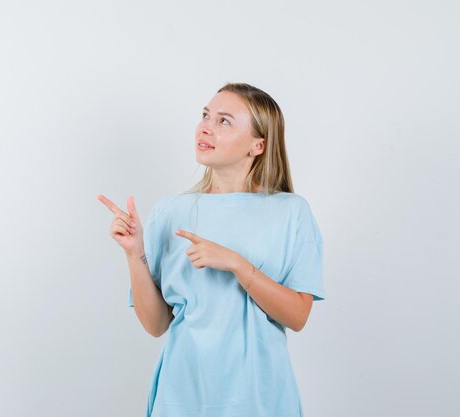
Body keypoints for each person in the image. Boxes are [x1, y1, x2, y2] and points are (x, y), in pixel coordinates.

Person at [97, 82, 325, 417]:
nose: (205, 127)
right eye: (205, 115)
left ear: (257, 145)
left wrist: (237, 264)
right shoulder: (170, 212)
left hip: (259, 398)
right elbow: (157, 324)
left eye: (224, 121)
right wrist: (135, 254)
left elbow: (298, 316)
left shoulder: (291, 212)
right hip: (182, 395)